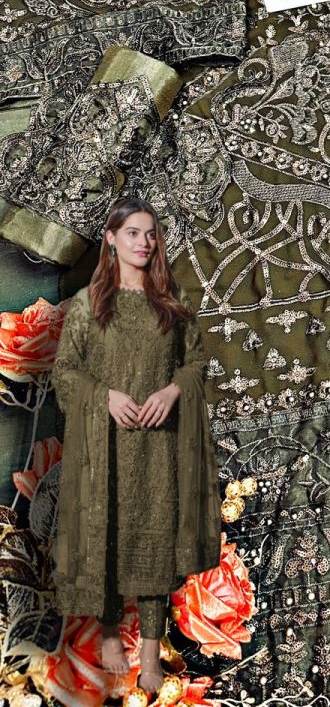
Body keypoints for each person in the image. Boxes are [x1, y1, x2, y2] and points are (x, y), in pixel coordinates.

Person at [51, 196, 222, 696]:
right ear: (111, 238)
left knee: (154, 536)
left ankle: (149, 649)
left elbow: (196, 363)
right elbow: (66, 372)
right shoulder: (88, 304)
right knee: (107, 529)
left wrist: (172, 392)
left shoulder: (170, 300)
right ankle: (109, 631)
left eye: (150, 234)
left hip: (159, 444)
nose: (143, 243)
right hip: (104, 443)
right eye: (132, 233)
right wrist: (104, 397)